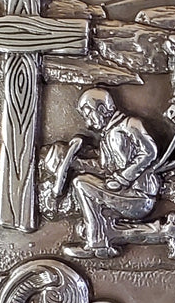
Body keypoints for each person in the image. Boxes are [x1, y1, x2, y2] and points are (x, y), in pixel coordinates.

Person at [62, 88, 164, 259]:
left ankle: (97, 243)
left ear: (102, 110)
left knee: (81, 184)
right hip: (122, 193)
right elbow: (104, 170)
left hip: (139, 196)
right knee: (82, 183)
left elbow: (150, 152)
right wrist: (77, 163)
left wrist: (123, 178)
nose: (88, 124)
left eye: (89, 115)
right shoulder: (106, 137)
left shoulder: (130, 125)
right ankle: (99, 237)